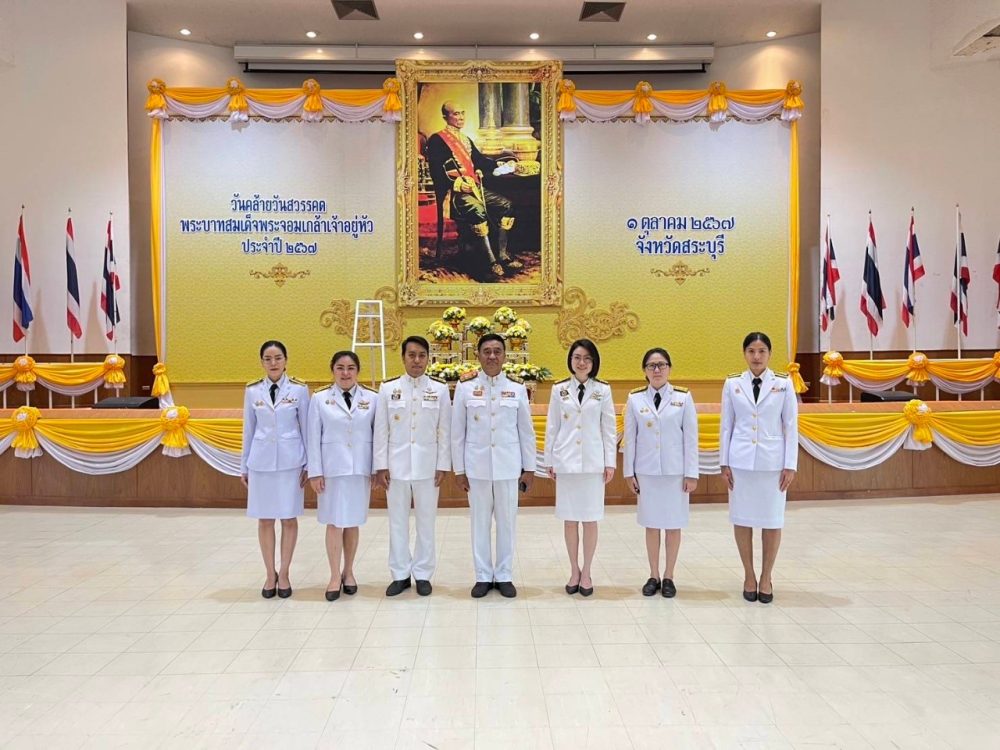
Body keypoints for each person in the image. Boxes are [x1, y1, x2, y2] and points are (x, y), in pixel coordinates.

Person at [452, 333, 536, 598]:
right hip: (476, 468)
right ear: (477, 355)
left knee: (507, 523)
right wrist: (459, 470)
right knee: (479, 524)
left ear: (504, 355)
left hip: (508, 467)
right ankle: (482, 576)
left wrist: (529, 468)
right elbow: (457, 432)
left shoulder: (517, 388)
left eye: (497, 351)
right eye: (486, 351)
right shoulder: (465, 387)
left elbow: (526, 431)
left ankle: (504, 575)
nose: (492, 356)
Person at [720, 332, 798, 604]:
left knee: (771, 520)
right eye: (751, 351)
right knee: (742, 519)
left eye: (762, 351)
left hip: (772, 464)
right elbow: (727, 425)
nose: (756, 356)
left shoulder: (784, 384)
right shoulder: (733, 384)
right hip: (740, 463)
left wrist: (790, 465)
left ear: (769, 354)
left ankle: (766, 577)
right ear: (744, 354)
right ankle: (749, 575)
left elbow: (791, 426)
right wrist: (724, 462)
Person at [373, 336, 452, 597]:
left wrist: (443, 464)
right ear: (403, 358)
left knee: (426, 522)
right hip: (395, 467)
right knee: (397, 522)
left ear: (428, 358)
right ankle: (400, 574)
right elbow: (381, 430)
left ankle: (423, 573)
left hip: (428, 467)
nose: (417, 360)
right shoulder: (388, 389)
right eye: (412, 355)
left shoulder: (439, 389)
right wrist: (381, 465)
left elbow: (445, 430)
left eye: (421, 355)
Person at [622, 348, 699, 598]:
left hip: (676, 473)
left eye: (661, 365)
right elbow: (630, 438)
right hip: (647, 473)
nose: (657, 370)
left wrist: (691, 473)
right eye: (651, 366)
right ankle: (653, 574)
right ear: (644, 371)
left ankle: (669, 576)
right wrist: (629, 472)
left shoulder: (683, 398)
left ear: (669, 368)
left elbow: (691, 439)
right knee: (652, 525)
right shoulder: (635, 399)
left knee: (674, 525)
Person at [543, 339, 616, 597]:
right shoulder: (559, 389)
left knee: (591, 519)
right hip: (566, 462)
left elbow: (608, 429)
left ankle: (587, 572)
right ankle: (574, 570)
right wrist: (549, 460)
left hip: (593, 464)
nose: (581, 362)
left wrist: (610, 462)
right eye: (577, 357)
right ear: (571, 361)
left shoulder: (603, 390)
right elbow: (552, 426)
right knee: (570, 519)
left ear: (593, 362)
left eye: (586, 358)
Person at [241, 340, 309, 599]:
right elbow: (248, 430)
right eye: (268, 359)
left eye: (278, 358)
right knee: (265, 519)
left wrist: (310, 464)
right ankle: (270, 573)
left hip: (291, 463)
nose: (273, 363)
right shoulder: (252, 390)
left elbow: (307, 428)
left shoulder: (299, 390)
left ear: (286, 360)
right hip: (261, 463)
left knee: (289, 519)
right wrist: (244, 465)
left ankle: (285, 572)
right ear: (262, 362)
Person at [307, 351, 377, 601]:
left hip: (359, 469)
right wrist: (315, 471)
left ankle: (349, 571)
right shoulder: (319, 399)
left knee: (353, 522)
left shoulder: (372, 398)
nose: (345, 373)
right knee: (334, 523)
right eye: (340, 368)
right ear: (333, 370)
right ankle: (334, 575)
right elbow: (312, 437)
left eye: (350, 368)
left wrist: (376, 468)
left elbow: (378, 436)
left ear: (357, 371)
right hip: (332, 471)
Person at [425, 100, 519, 279]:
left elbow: (480, 161)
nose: (461, 117)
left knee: (506, 205)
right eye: (456, 114)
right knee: (478, 210)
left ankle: (502, 255)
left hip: (474, 189)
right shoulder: (437, 140)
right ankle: (491, 262)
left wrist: (501, 164)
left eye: (462, 113)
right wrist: (457, 184)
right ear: (445, 117)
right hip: (454, 195)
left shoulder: (465, 139)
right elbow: (436, 171)